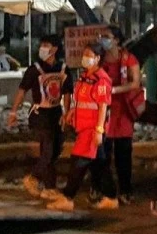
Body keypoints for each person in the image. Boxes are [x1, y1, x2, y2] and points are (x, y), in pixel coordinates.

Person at [46, 43, 119, 211]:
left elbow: (102, 106)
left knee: (78, 162)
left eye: (89, 55)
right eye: (84, 54)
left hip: (91, 128)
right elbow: (82, 101)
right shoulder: (85, 76)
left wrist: (99, 130)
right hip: (83, 126)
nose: (85, 58)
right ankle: (111, 197)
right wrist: (72, 111)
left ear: (98, 58)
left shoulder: (101, 80)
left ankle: (68, 197)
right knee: (99, 164)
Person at [8, 35, 68, 199]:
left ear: (55, 49)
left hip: (56, 113)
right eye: (41, 45)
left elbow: (67, 92)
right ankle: (34, 178)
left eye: (46, 45)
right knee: (47, 150)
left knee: (55, 150)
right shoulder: (34, 69)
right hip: (39, 114)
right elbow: (22, 91)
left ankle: (49, 186)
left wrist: (66, 112)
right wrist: (13, 112)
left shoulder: (62, 68)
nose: (42, 48)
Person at [100, 26, 143, 204]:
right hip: (105, 111)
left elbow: (135, 83)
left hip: (123, 110)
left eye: (107, 37)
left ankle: (125, 190)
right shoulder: (100, 59)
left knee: (123, 154)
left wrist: (114, 90)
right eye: (102, 36)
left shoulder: (129, 59)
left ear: (116, 40)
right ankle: (106, 190)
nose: (103, 40)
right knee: (103, 152)